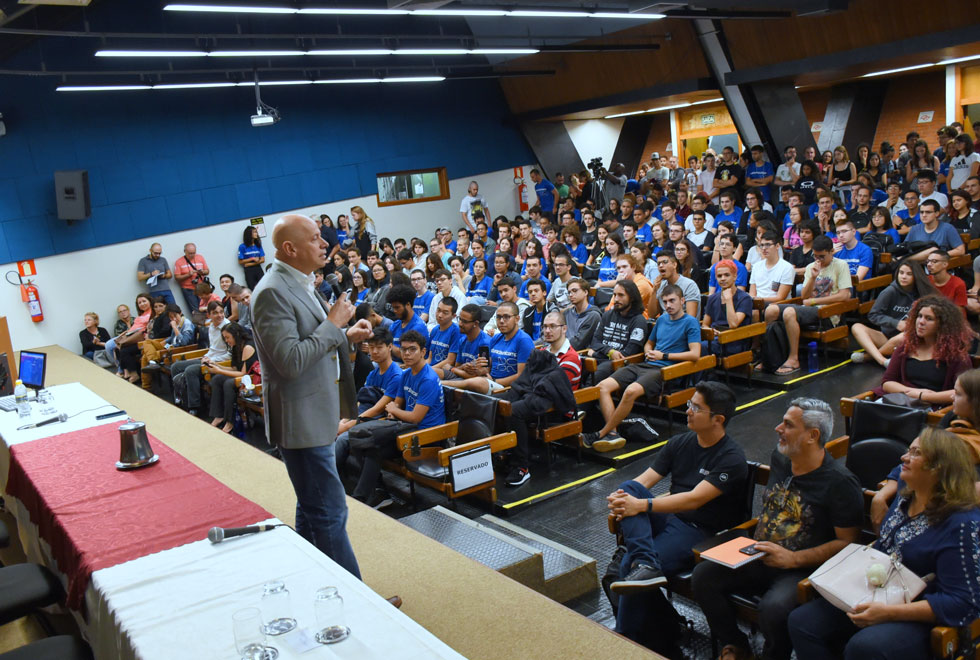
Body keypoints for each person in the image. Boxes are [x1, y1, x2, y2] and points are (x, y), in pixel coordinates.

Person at [692, 398, 864, 660]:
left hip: (801, 567)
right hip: (760, 552)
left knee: (774, 609)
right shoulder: (781, 458)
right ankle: (737, 645)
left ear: (812, 435)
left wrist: (793, 558)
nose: (777, 428)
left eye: (788, 424)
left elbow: (848, 544)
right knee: (703, 575)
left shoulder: (840, 483)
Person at [789, 428, 980, 660]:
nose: (904, 458)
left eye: (915, 453)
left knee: (865, 647)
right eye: (908, 450)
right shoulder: (907, 492)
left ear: (938, 468)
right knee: (802, 622)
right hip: (878, 592)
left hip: (920, 611)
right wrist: (881, 495)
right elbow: (898, 471)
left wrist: (889, 613)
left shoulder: (961, 524)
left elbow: (962, 603)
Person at [251, 214, 372, 577]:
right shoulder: (272, 291)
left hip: (315, 412)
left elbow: (309, 339)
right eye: (316, 238)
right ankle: (357, 601)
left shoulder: (299, 281)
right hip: (300, 420)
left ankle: (308, 581)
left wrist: (344, 336)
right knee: (331, 512)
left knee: (311, 506)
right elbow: (289, 361)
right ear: (290, 248)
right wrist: (334, 324)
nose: (324, 244)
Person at [606, 382, 747, 654]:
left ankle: (625, 638)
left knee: (627, 565)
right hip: (671, 517)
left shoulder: (732, 459)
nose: (688, 411)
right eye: (689, 404)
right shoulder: (680, 442)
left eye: (696, 407)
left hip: (702, 531)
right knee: (631, 489)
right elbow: (643, 481)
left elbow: (695, 499)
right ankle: (647, 563)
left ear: (718, 419)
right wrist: (620, 498)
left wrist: (640, 505)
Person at [585, 285, 701, 452]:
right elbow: (649, 343)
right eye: (665, 301)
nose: (668, 305)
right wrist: (649, 352)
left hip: (664, 371)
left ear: (682, 301)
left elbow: (695, 354)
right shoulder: (661, 319)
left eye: (672, 301)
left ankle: (602, 433)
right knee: (602, 386)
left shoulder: (690, 322)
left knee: (630, 391)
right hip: (645, 364)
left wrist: (664, 356)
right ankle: (614, 434)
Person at [500, 310, 581, 486]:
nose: (547, 330)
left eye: (553, 326)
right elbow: (528, 380)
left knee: (514, 411)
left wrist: (528, 389)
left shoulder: (571, 358)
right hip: (535, 398)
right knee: (500, 403)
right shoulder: (542, 351)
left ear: (564, 328)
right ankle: (505, 451)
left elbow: (553, 391)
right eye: (545, 326)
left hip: (556, 409)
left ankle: (522, 467)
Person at [764, 236, 852, 375]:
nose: (818, 260)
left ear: (831, 252)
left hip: (828, 313)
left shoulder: (841, 265)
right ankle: (770, 356)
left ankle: (793, 359)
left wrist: (814, 301)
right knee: (771, 310)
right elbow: (804, 295)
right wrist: (812, 277)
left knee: (789, 312)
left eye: (822, 256)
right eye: (815, 256)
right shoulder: (811, 267)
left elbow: (845, 295)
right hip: (809, 310)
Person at [876, 295, 973, 407]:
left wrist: (925, 396)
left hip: (933, 408)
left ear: (942, 325)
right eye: (919, 316)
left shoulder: (957, 355)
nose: (921, 322)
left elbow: (962, 392)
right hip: (901, 401)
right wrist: (913, 393)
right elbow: (887, 382)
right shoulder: (906, 347)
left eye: (929, 318)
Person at [851, 261, 937, 367]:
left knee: (903, 336)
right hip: (887, 337)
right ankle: (882, 360)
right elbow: (873, 315)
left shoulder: (924, 292)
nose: (904, 277)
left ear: (916, 276)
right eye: (901, 273)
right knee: (857, 327)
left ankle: (868, 357)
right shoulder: (890, 291)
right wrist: (896, 323)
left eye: (909, 274)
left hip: (912, 337)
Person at [449, 302, 534, 394]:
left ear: (517, 319)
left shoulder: (524, 340)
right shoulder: (495, 339)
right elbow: (487, 368)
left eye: (506, 317)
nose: (501, 321)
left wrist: (494, 381)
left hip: (508, 388)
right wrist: (478, 369)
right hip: (490, 382)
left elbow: (521, 376)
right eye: (498, 317)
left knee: (478, 382)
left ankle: (440, 384)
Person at [169, 301, 230, 414]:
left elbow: (230, 354)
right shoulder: (212, 326)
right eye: (215, 313)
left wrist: (212, 360)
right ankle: (181, 398)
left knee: (191, 370)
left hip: (220, 361)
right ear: (209, 315)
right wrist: (206, 357)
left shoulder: (227, 327)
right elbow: (213, 348)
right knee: (176, 366)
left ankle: (195, 406)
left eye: (221, 312)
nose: (220, 315)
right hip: (209, 357)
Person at [588, 280, 648, 385]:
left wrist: (596, 353)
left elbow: (628, 354)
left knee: (592, 379)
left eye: (621, 295)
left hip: (620, 365)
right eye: (614, 295)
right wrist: (610, 352)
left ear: (632, 298)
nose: (616, 299)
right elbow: (595, 341)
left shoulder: (639, 321)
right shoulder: (607, 315)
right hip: (603, 357)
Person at [205, 322, 256, 434]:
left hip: (251, 379)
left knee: (228, 383)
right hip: (241, 376)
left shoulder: (248, 346)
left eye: (227, 337)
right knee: (217, 379)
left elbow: (243, 374)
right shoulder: (235, 346)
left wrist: (219, 370)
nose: (226, 340)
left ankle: (230, 421)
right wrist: (217, 365)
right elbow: (234, 369)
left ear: (236, 334)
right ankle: (219, 415)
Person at [702, 260, 754, 355]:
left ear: (735, 276)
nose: (723, 279)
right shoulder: (712, 298)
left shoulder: (744, 298)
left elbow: (733, 324)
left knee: (701, 347)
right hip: (714, 339)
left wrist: (729, 300)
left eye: (727, 275)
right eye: (719, 276)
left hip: (734, 341)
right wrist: (710, 331)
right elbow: (705, 324)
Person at [749, 230, 795, 306]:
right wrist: (755, 300)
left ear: (777, 246)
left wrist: (758, 299)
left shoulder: (787, 268)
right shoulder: (756, 266)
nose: (764, 248)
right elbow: (752, 293)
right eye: (762, 245)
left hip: (778, 305)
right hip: (757, 304)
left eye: (767, 245)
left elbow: (780, 297)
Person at [446, 304, 491, 380]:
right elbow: (458, 367)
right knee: (437, 372)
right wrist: (463, 367)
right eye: (460, 319)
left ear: (475, 324)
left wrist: (451, 369)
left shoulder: (485, 343)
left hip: (475, 383)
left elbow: (482, 376)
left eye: (464, 321)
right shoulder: (462, 340)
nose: (460, 324)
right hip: (462, 377)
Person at [651, 251, 701, 318]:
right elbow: (652, 314)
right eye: (658, 263)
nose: (661, 266)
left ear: (674, 265)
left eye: (665, 262)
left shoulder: (689, 285)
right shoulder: (660, 285)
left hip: (683, 326)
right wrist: (654, 291)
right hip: (666, 324)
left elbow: (691, 318)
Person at [386, 283, 428, 361]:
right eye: (393, 307)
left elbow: (408, 355)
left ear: (408, 305)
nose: (394, 311)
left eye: (397, 307)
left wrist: (387, 345)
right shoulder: (395, 324)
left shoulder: (418, 327)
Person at [564, 278, 601, 351]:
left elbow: (578, 344)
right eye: (569, 292)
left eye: (575, 291)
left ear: (585, 292)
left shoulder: (593, 316)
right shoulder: (566, 313)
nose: (571, 295)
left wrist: (557, 346)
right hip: (563, 350)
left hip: (580, 354)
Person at [427, 298, 461, 378]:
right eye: (438, 310)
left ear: (453, 316)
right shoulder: (435, 330)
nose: (440, 315)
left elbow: (450, 361)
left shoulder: (456, 331)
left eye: (445, 313)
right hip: (432, 368)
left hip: (444, 370)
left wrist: (429, 370)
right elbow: (430, 358)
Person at [173, 242, 210, 313]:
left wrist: (202, 272)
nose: (192, 255)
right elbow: (177, 278)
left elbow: (207, 271)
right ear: (185, 252)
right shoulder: (179, 262)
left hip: (201, 287)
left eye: (194, 253)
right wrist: (188, 275)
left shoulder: (200, 257)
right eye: (190, 253)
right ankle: (199, 323)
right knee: (195, 310)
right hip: (188, 289)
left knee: (206, 308)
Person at [238, 226, 266, 290]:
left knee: (263, 287)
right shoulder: (242, 246)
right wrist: (252, 259)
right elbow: (240, 261)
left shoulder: (258, 245)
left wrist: (249, 264)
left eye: (256, 232)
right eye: (254, 232)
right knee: (252, 289)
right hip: (249, 271)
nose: (256, 234)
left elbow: (262, 260)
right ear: (249, 234)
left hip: (258, 269)